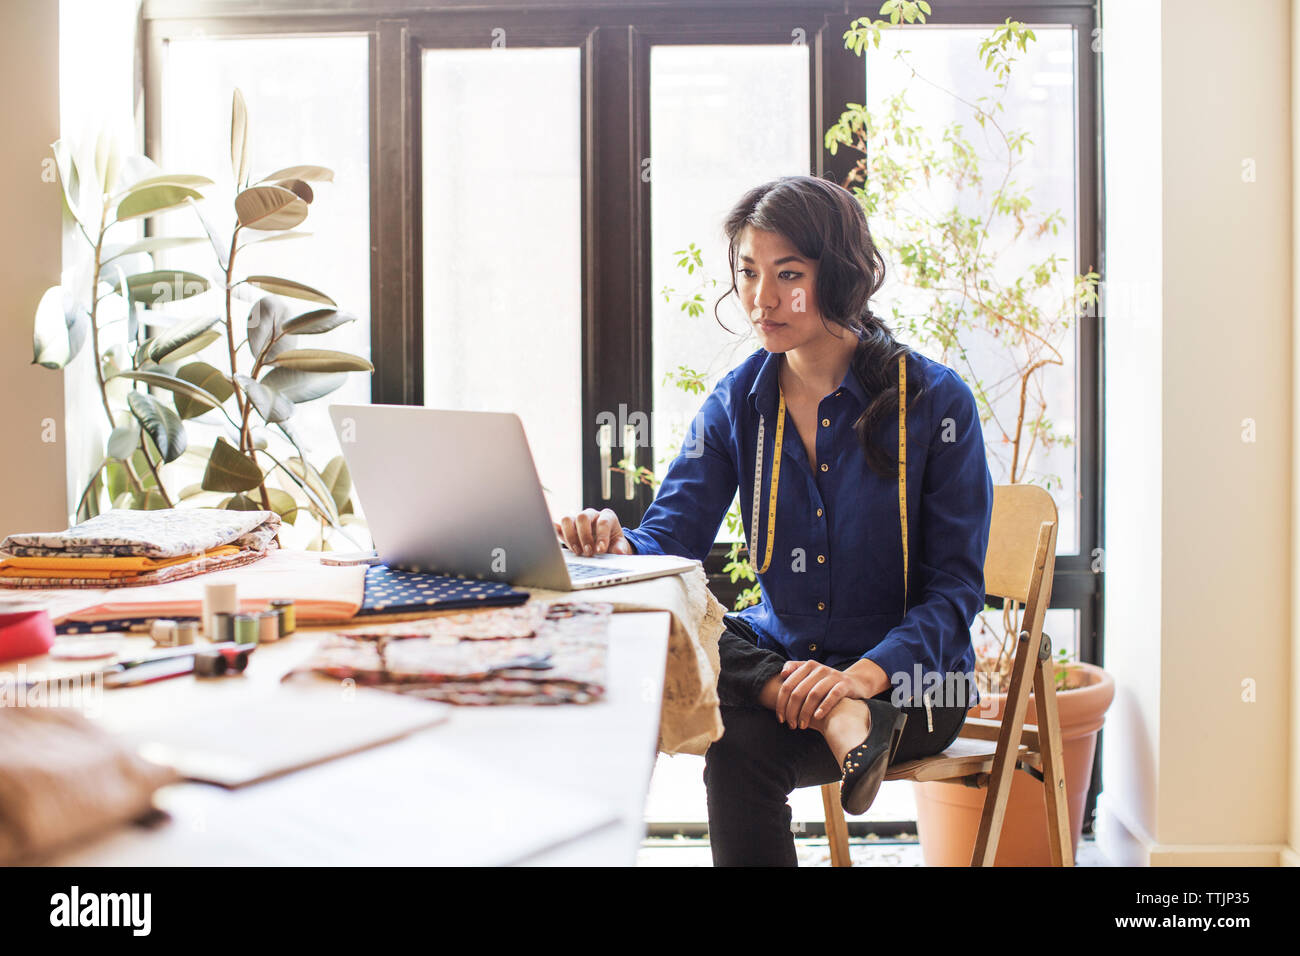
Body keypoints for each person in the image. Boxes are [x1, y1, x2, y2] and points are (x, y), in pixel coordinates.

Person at [553, 175, 993, 866]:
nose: (762, 298)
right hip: (782, 662)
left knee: (738, 751)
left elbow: (956, 594)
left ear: (842, 275)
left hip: (907, 689)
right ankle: (827, 713)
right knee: (676, 634)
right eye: (750, 273)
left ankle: (847, 710)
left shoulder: (935, 402)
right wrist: (612, 541)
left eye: (788, 274)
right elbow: (666, 545)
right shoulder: (739, 402)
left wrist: (859, 680)